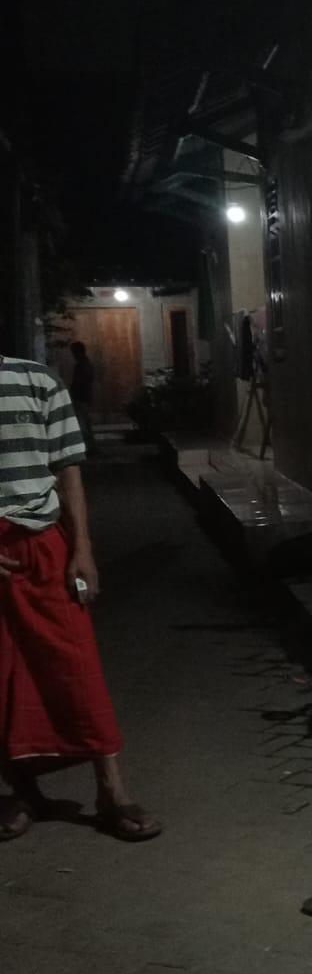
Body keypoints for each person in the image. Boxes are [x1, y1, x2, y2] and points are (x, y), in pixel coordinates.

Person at [0, 352, 160, 842]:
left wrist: (83, 548)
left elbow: (68, 468)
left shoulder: (37, 380)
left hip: (44, 544)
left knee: (76, 665)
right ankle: (22, 791)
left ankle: (111, 790)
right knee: (4, 675)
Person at [67, 341, 96, 457]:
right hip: (84, 397)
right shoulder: (86, 364)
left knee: (82, 424)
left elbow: (78, 382)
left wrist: (72, 393)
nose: (73, 355)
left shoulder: (81, 365)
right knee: (85, 423)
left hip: (81, 397)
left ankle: (88, 447)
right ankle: (90, 446)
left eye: (74, 352)